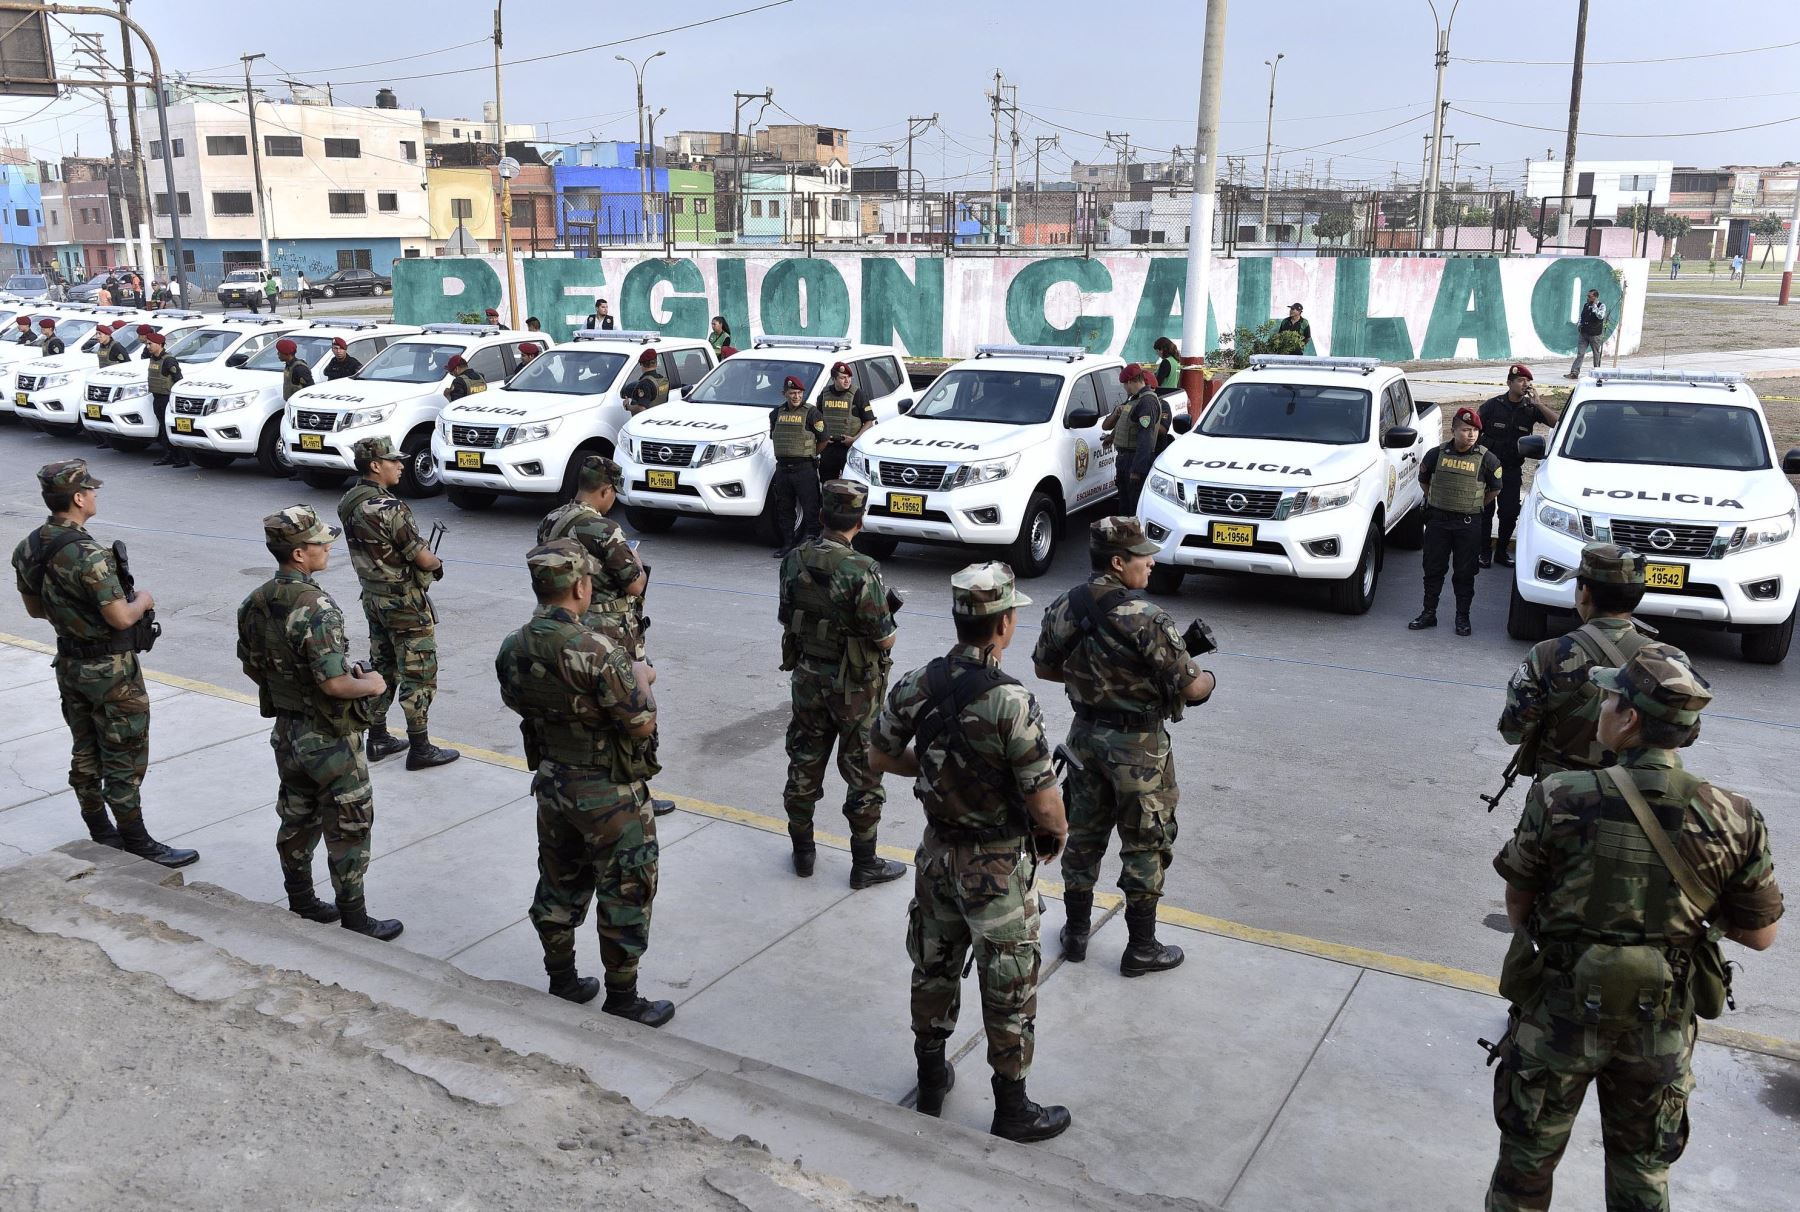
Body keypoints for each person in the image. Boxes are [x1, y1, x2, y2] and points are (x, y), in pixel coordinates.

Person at [1486, 646, 1782, 1212]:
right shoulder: (1734, 814)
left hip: (1560, 1015)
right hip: (1661, 1024)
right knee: (1642, 1170)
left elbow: (1519, 899)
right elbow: (1761, 933)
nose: (1603, 704)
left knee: (1526, 1161)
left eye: (1611, 696)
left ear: (1630, 719)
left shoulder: (1560, 795)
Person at [871, 561, 1072, 1142]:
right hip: (998, 867)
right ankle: (1012, 1109)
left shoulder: (917, 683)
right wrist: (1055, 835)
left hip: (938, 857)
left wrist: (934, 773)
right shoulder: (1012, 701)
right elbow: (1043, 799)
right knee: (1008, 983)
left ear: (961, 618)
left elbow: (879, 756)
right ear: (1004, 624)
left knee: (933, 966)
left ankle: (931, 1079)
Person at [495, 539, 674, 1026]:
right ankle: (623, 997)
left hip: (553, 782)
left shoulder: (514, 644)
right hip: (609, 791)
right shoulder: (597, 650)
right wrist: (640, 678)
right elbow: (640, 724)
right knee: (626, 887)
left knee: (559, 880)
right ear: (580, 585)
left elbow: (516, 701)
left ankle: (563, 980)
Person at [1033, 516, 1215, 976]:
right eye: (1142, 556)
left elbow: (1045, 668)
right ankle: (1142, 947)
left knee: (1084, 833)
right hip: (1139, 749)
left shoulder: (1064, 605)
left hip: (1084, 738)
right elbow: (1192, 689)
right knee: (1146, 841)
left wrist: (1096, 682)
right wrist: (1208, 677)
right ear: (1119, 562)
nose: (1151, 564)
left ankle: (1075, 933)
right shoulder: (1147, 618)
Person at [10, 460, 197, 868]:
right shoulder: (89, 554)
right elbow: (120, 617)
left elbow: (34, 610)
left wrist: (73, 617)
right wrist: (144, 599)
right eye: (91, 491)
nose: (94, 495)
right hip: (111, 672)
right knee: (124, 754)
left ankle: (100, 832)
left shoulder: (29, 546)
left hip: (70, 664)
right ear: (78, 499)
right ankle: (137, 840)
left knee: (85, 748)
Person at [237, 505, 403, 939]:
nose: (328, 545)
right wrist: (373, 685)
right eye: (318, 541)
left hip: (288, 731)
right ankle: (354, 917)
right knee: (349, 824)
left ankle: (302, 900)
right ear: (298, 554)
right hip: (330, 737)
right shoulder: (318, 607)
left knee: (297, 817)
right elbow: (333, 684)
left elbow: (252, 665)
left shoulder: (255, 601)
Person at [776, 479, 905, 886]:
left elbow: (786, 616)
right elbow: (883, 635)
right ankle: (864, 863)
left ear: (820, 515)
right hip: (855, 688)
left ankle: (803, 853)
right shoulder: (862, 570)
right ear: (860, 522)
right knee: (864, 773)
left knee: (803, 761)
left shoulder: (794, 559)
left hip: (808, 677)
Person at [536, 454, 675, 818]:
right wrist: (633, 558)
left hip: (567, 624)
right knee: (632, 704)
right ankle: (638, 786)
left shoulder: (551, 520)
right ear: (606, 490)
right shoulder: (604, 529)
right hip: (613, 633)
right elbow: (634, 583)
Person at [336, 436, 460, 771]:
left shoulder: (349, 500)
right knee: (419, 671)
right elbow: (422, 557)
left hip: (373, 597)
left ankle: (377, 735)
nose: (401, 465)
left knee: (384, 664)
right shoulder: (391, 508)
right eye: (393, 460)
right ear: (375, 465)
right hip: (404, 601)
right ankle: (420, 746)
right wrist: (435, 564)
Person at [1498, 543, 1657, 782]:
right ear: (1639, 595)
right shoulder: (1665, 660)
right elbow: (1686, 733)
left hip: (1560, 796)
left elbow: (1513, 731)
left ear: (1585, 593)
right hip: (1636, 797)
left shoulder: (1547, 654)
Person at [1409, 407, 1502, 636]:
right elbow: (1424, 480)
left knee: (1464, 573)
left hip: (1468, 524)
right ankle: (1428, 613)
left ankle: (1462, 618)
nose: (1471, 435)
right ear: (1453, 430)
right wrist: (1439, 501)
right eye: (1466, 430)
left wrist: (1471, 505)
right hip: (1438, 522)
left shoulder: (1488, 459)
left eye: (1475, 431)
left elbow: (1494, 490)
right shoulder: (1436, 454)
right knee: (1433, 569)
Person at [1477, 364, 1561, 568]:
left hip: (1512, 470)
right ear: (1509, 383)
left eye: (1528, 381)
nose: (1526, 384)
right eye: (1521, 381)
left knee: (1509, 513)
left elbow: (1557, 423)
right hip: (1488, 470)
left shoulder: (1530, 409)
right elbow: (1474, 428)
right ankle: (1484, 552)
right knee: (1485, 511)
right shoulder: (1492, 405)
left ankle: (1502, 551)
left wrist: (1539, 404)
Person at [768, 375, 826, 557]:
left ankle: (813, 546)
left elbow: (823, 439)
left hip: (804, 468)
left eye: (799, 393)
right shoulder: (776, 413)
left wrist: (810, 453)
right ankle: (788, 544)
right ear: (784, 393)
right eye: (792, 393)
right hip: (783, 468)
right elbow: (774, 435)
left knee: (811, 508)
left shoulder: (812, 413)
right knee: (784, 508)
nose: (796, 396)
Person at [1101, 364, 1163, 514]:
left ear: (1130, 382)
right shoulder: (1134, 400)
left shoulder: (1147, 402)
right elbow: (1127, 423)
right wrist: (1112, 437)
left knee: (1133, 507)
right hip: (1125, 459)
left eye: (1124, 385)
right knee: (1124, 504)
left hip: (1134, 459)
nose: (1124, 388)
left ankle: (1132, 537)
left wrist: (1137, 469)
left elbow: (1145, 438)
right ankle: (1125, 536)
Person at [816, 360, 876, 483]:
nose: (847, 380)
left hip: (850, 448)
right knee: (828, 485)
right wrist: (823, 438)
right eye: (843, 377)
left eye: (849, 377)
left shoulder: (858, 394)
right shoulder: (825, 394)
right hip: (829, 448)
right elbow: (818, 420)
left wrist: (854, 439)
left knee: (851, 486)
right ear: (834, 378)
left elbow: (869, 422)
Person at [142, 327, 190, 469]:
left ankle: (182, 457)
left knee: (170, 428)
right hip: (157, 398)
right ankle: (170, 455)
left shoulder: (169, 360)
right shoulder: (153, 359)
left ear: (160, 344)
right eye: (147, 344)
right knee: (163, 429)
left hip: (166, 399)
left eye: (150, 344)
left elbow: (178, 380)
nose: (148, 346)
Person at [1565, 289, 1608, 379]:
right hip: (1584, 333)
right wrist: (1579, 325)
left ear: (1595, 297)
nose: (1587, 298)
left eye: (1589, 296)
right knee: (1580, 353)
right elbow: (1582, 316)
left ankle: (1597, 372)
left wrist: (1595, 306)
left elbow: (1600, 316)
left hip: (1595, 335)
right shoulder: (1586, 305)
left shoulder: (1602, 306)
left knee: (1596, 354)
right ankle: (1574, 373)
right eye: (1587, 296)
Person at [620, 349, 668, 416]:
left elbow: (642, 408)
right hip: (659, 418)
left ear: (642, 364)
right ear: (656, 363)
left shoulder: (645, 384)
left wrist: (627, 406)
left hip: (646, 421)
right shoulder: (663, 379)